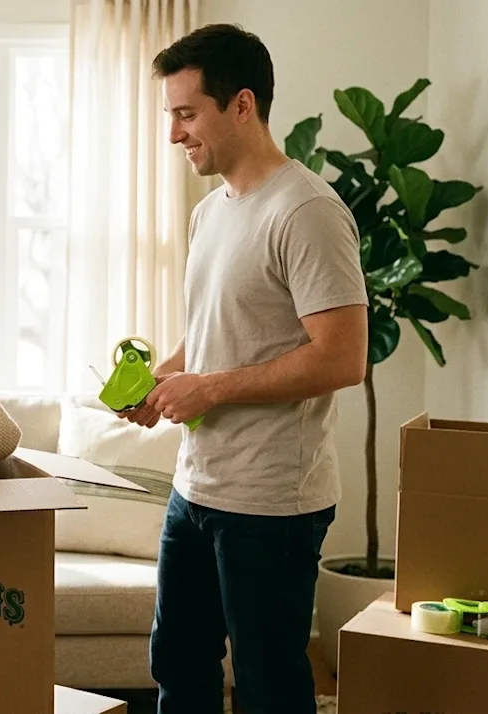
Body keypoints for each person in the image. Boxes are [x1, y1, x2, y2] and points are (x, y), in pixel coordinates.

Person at [128, 24, 369, 714]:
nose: (174, 133)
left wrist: (208, 387)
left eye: (186, 113)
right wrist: (165, 379)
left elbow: (342, 357)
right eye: (169, 114)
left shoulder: (308, 211)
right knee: (177, 663)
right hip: (196, 487)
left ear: (241, 105)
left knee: (267, 686)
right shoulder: (212, 212)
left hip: (271, 504)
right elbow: (216, 335)